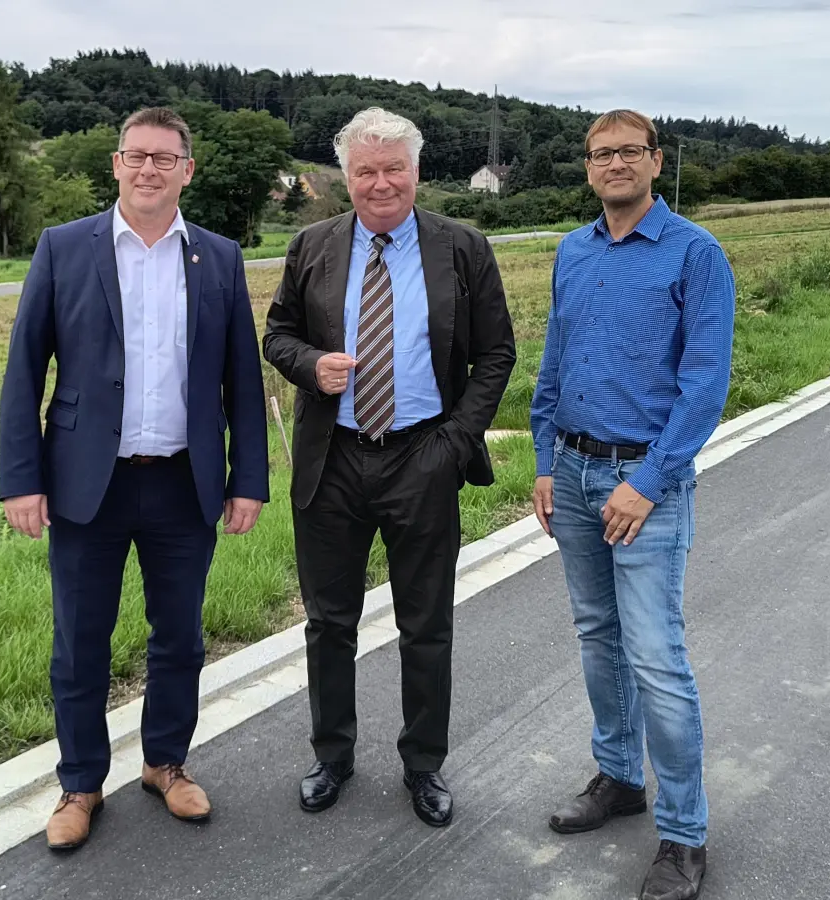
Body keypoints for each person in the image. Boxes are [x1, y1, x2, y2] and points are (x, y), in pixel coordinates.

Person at [0, 106, 270, 851]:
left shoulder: (217, 256)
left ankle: (165, 764)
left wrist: (247, 480)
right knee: (80, 643)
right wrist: (21, 479)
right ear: (115, 164)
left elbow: (242, 379)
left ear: (187, 170)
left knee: (178, 638)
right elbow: (24, 370)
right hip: (90, 484)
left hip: (184, 484)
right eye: (135, 155)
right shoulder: (64, 248)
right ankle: (80, 784)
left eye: (164, 157)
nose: (148, 168)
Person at [263, 107, 516, 828]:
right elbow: (276, 335)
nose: (381, 183)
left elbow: (496, 353)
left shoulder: (462, 248)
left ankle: (424, 765)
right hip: (332, 460)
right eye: (366, 171)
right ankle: (332, 756)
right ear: (346, 178)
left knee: (427, 626)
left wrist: (452, 443)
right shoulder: (312, 245)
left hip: (422, 456)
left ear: (417, 171)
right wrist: (312, 365)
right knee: (328, 623)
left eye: (394, 168)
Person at [530, 108, 734, 900]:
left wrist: (646, 484)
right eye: (600, 153)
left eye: (629, 151)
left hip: (645, 484)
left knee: (656, 657)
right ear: (588, 167)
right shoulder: (572, 251)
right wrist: (545, 461)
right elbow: (555, 361)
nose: (615, 163)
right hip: (575, 474)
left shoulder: (695, 253)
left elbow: (704, 385)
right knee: (597, 637)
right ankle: (619, 778)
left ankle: (685, 835)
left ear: (655, 160)